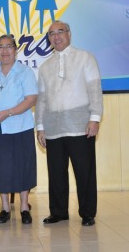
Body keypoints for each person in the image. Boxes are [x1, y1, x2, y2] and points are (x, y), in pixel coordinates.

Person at [35, 20, 103, 226]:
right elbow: (42, 99)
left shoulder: (85, 58)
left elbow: (94, 90)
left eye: (60, 32)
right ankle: (58, 212)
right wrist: (40, 126)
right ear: (49, 39)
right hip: (53, 127)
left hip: (80, 124)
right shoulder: (45, 66)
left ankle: (87, 212)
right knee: (56, 172)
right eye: (51, 34)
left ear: (69, 34)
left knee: (84, 171)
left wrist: (95, 118)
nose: (56, 37)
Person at [0, 34, 38, 224]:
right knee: (0, 169)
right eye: (1, 47)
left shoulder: (25, 72)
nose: (5, 50)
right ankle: (5, 208)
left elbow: (31, 99)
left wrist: (9, 112)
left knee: (23, 167)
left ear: (15, 50)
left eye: (9, 47)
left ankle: (24, 207)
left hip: (20, 126)